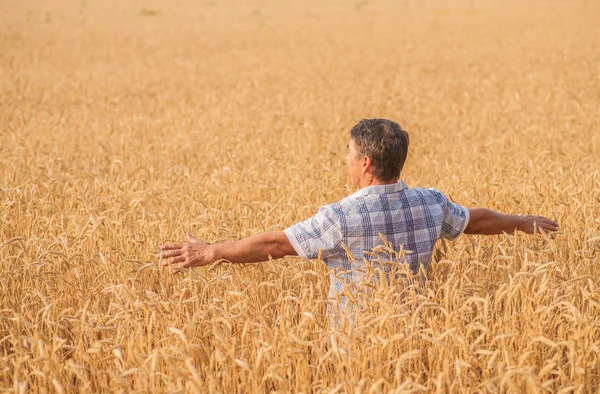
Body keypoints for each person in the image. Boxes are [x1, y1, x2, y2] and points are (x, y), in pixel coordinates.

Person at [159, 118, 559, 309]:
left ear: (366, 163)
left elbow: (276, 245)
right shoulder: (432, 202)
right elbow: (479, 220)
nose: (345, 159)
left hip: (357, 345)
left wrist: (211, 251)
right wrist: (524, 223)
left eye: (349, 153)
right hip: (415, 332)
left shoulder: (340, 216)